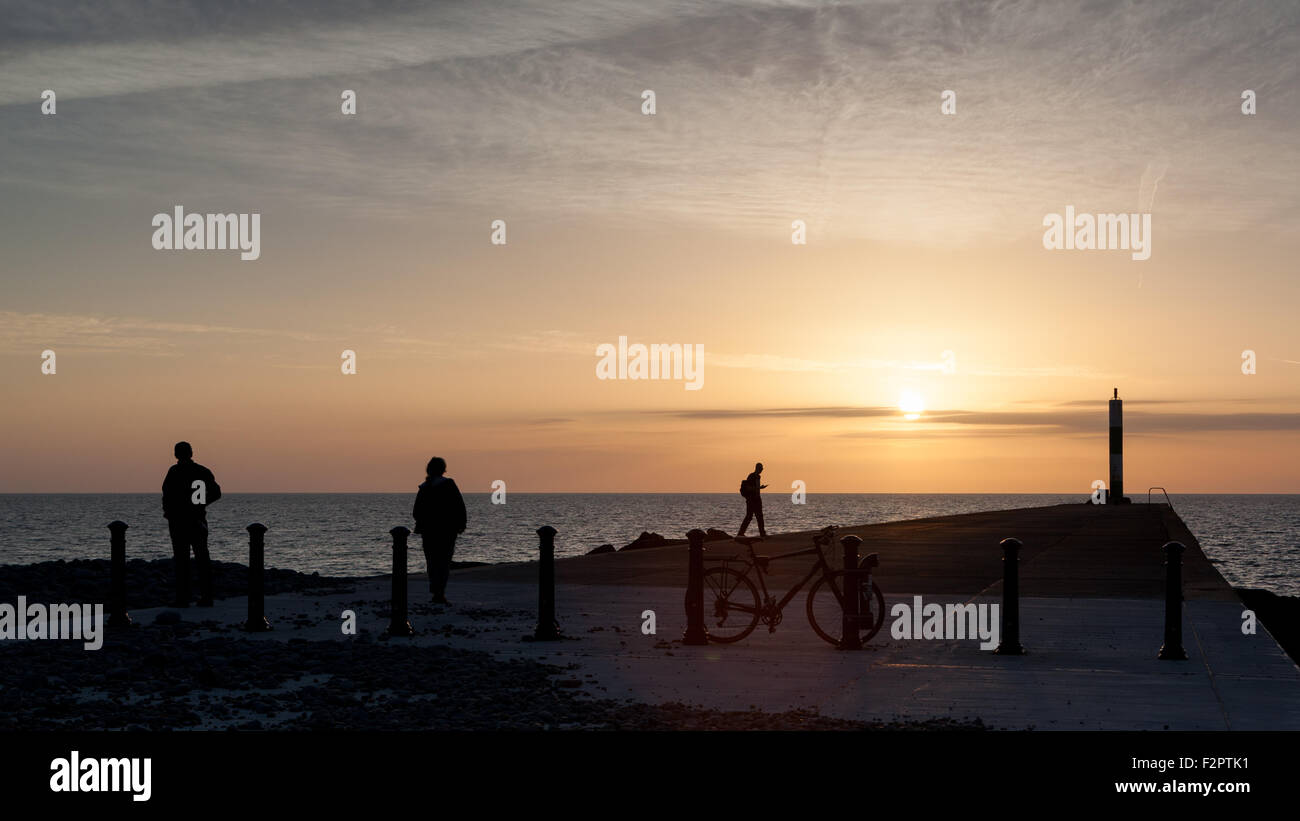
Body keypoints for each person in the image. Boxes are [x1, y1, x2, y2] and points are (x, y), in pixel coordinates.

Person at [162, 441, 221, 607]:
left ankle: (183, 597)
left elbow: (166, 495)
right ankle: (206, 596)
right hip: (195, 520)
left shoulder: (174, 472)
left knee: (182, 560)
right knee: (202, 559)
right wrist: (200, 504)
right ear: (191, 453)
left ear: (176, 454)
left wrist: (168, 512)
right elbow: (216, 493)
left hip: (181, 521)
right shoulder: (201, 471)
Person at [412, 456, 467, 605]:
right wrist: (461, 524)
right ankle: (440, 592)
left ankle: (435, 591)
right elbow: (459, 506)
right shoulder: (448, 485)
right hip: (446, 531)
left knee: (432, 562)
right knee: (443, 561)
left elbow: (416, 512)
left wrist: (424, 523)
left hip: (428, 532)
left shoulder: (424, 488)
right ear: (443, 469)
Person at [738, 461, 768, 539]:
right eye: (761, 468)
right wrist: (759, 488)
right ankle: (740, 533)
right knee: (749, 516)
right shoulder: (751, 476)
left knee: (759, 517)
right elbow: (748, 488)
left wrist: (760, 488)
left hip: (757, 499)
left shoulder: (758, 476)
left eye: (762, 468)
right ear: (757, 468)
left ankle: (762, 533)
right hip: (751, 499)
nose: (762, 470)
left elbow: (756, 488)